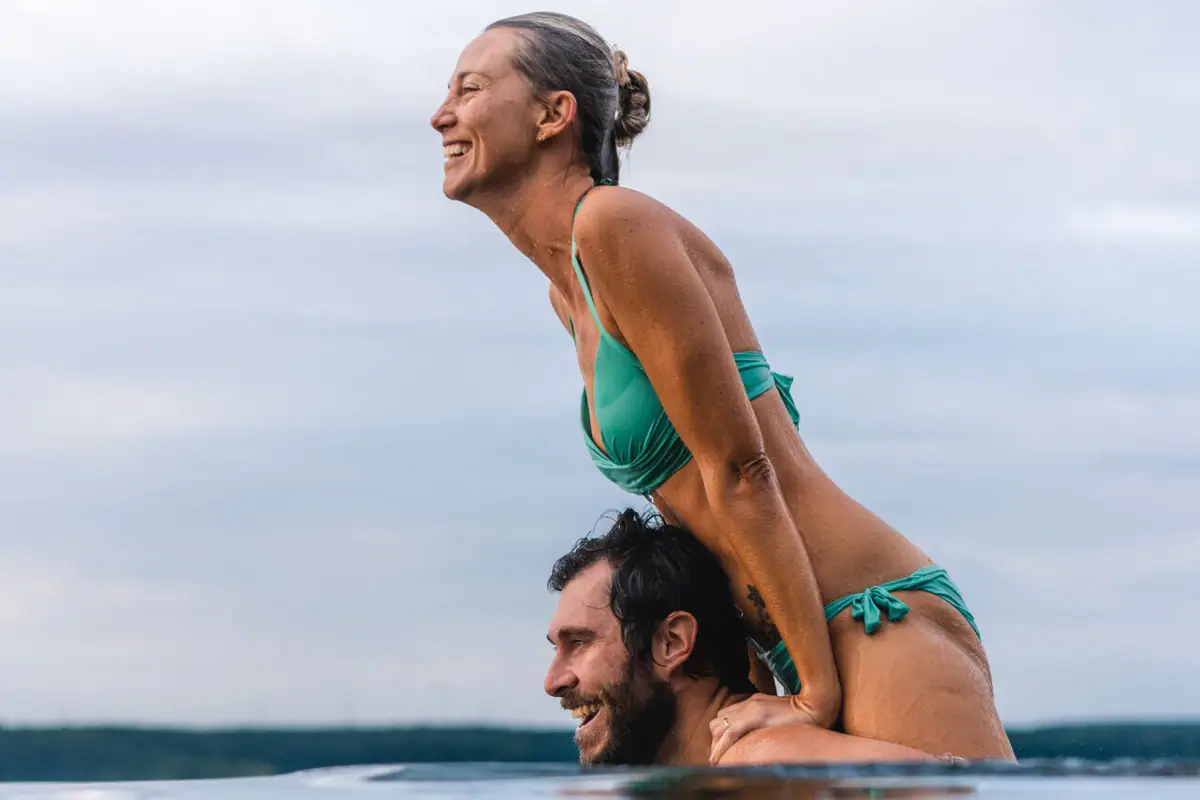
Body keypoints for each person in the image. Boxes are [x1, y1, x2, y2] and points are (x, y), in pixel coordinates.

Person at [432, 11, 1014, 761]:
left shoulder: (611, 224)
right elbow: (690, 515)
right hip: (793, 648)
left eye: (470, 89)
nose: (441, 114)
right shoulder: (567, 292)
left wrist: (813, 694)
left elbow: (740, 469)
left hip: (866, 618)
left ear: (554, 115)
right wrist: (756, 672)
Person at [544, 508, 939, 766]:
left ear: (671, 643)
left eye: (579, 642)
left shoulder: (760, 760)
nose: (552, 681)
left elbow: (958, 789)